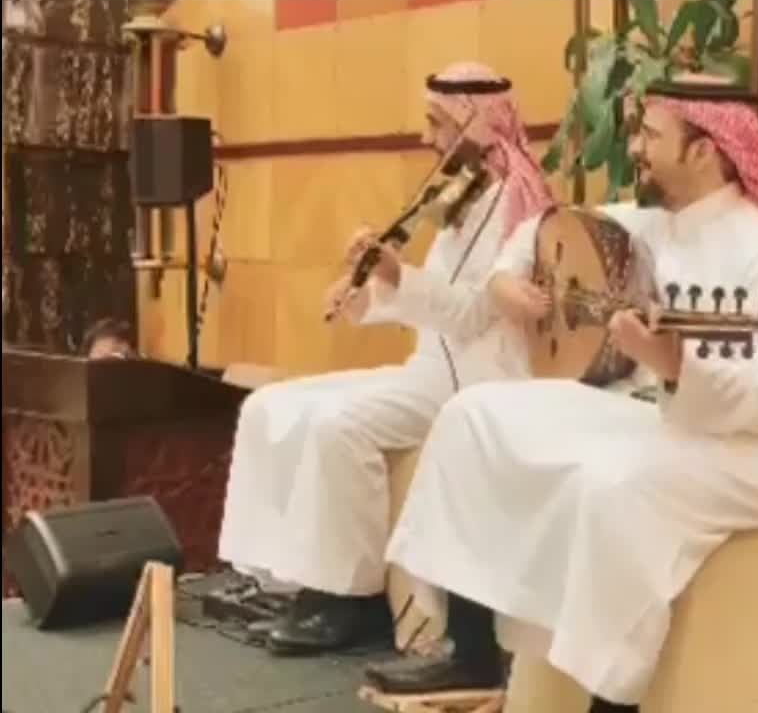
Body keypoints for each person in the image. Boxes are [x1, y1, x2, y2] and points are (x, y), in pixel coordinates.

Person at [365, 76, 758, 712]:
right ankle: (474, 656)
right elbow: (539, 225)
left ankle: (611, 700)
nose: (636, 149)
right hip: (655, 415)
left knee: (614, 487)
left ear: (705, 150)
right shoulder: (654, 225)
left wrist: (680, 368)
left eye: (650, 135)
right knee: (474, 414)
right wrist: (508, 278)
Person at [215, 61, 554, 657]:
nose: (426, 136)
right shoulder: (461, 192)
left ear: (472, 120)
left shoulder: (511, 203)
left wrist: (398, 277)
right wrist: (365, 295)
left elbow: (472, 315)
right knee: (269, 404)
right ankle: (281, 580)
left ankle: (346, 599)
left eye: (436, 122)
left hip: (476, 383)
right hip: (431, 369)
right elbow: (434, 302)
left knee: (339, 427)